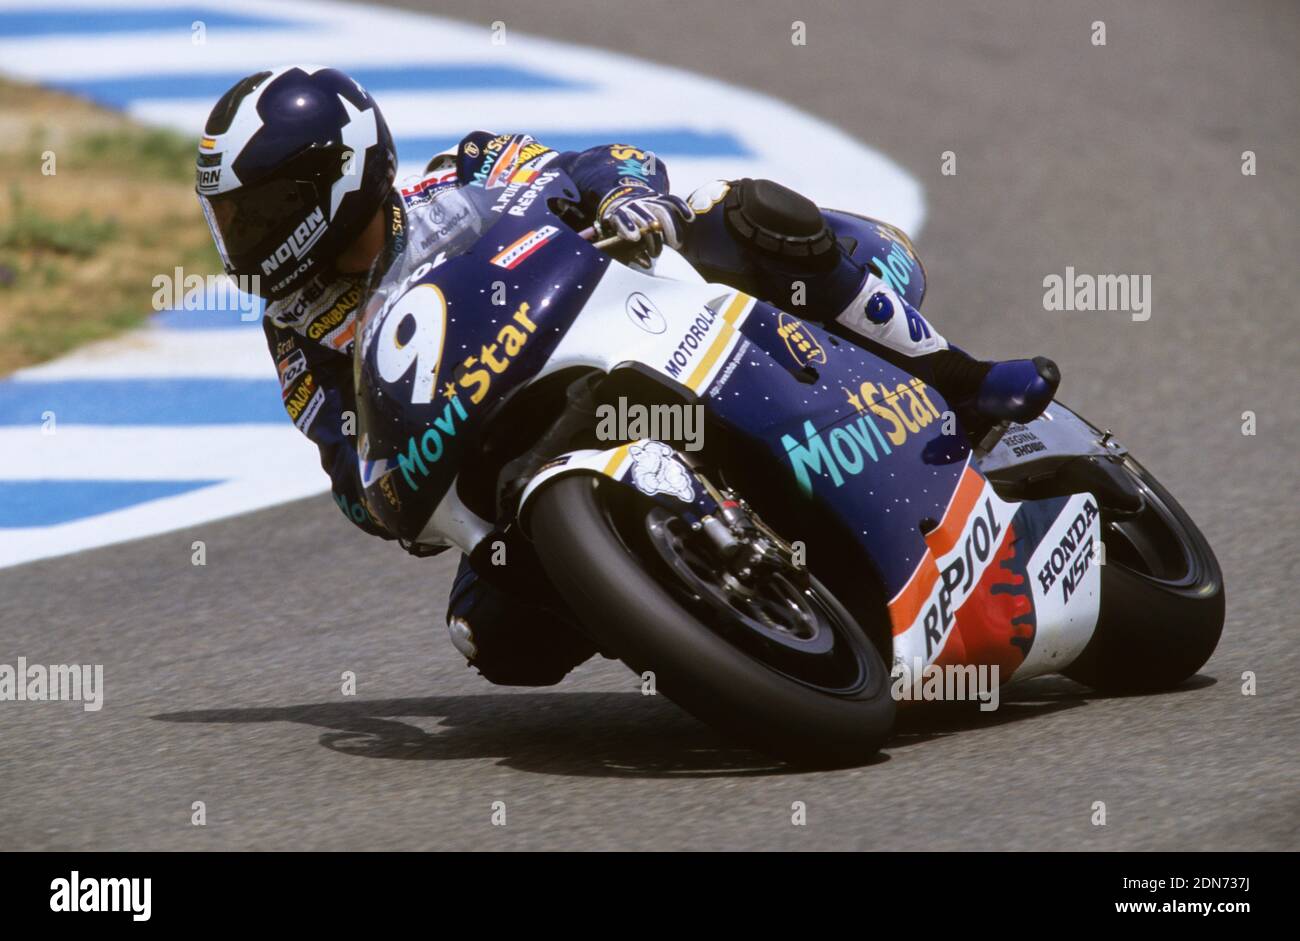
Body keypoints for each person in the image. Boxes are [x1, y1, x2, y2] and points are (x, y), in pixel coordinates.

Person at [197, 65, 1059, 686]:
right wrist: (385, 502)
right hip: (511, 454)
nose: (242, 238)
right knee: (491, 637)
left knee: (737, 213)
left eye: (259, 212)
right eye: (229, 219)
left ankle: (955, 375)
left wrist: (622, 198)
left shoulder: (462, 174)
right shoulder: (299, 335)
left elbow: (600, 160)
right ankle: (701, 615)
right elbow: (348, 468)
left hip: (643, 324)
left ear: (336, 177)